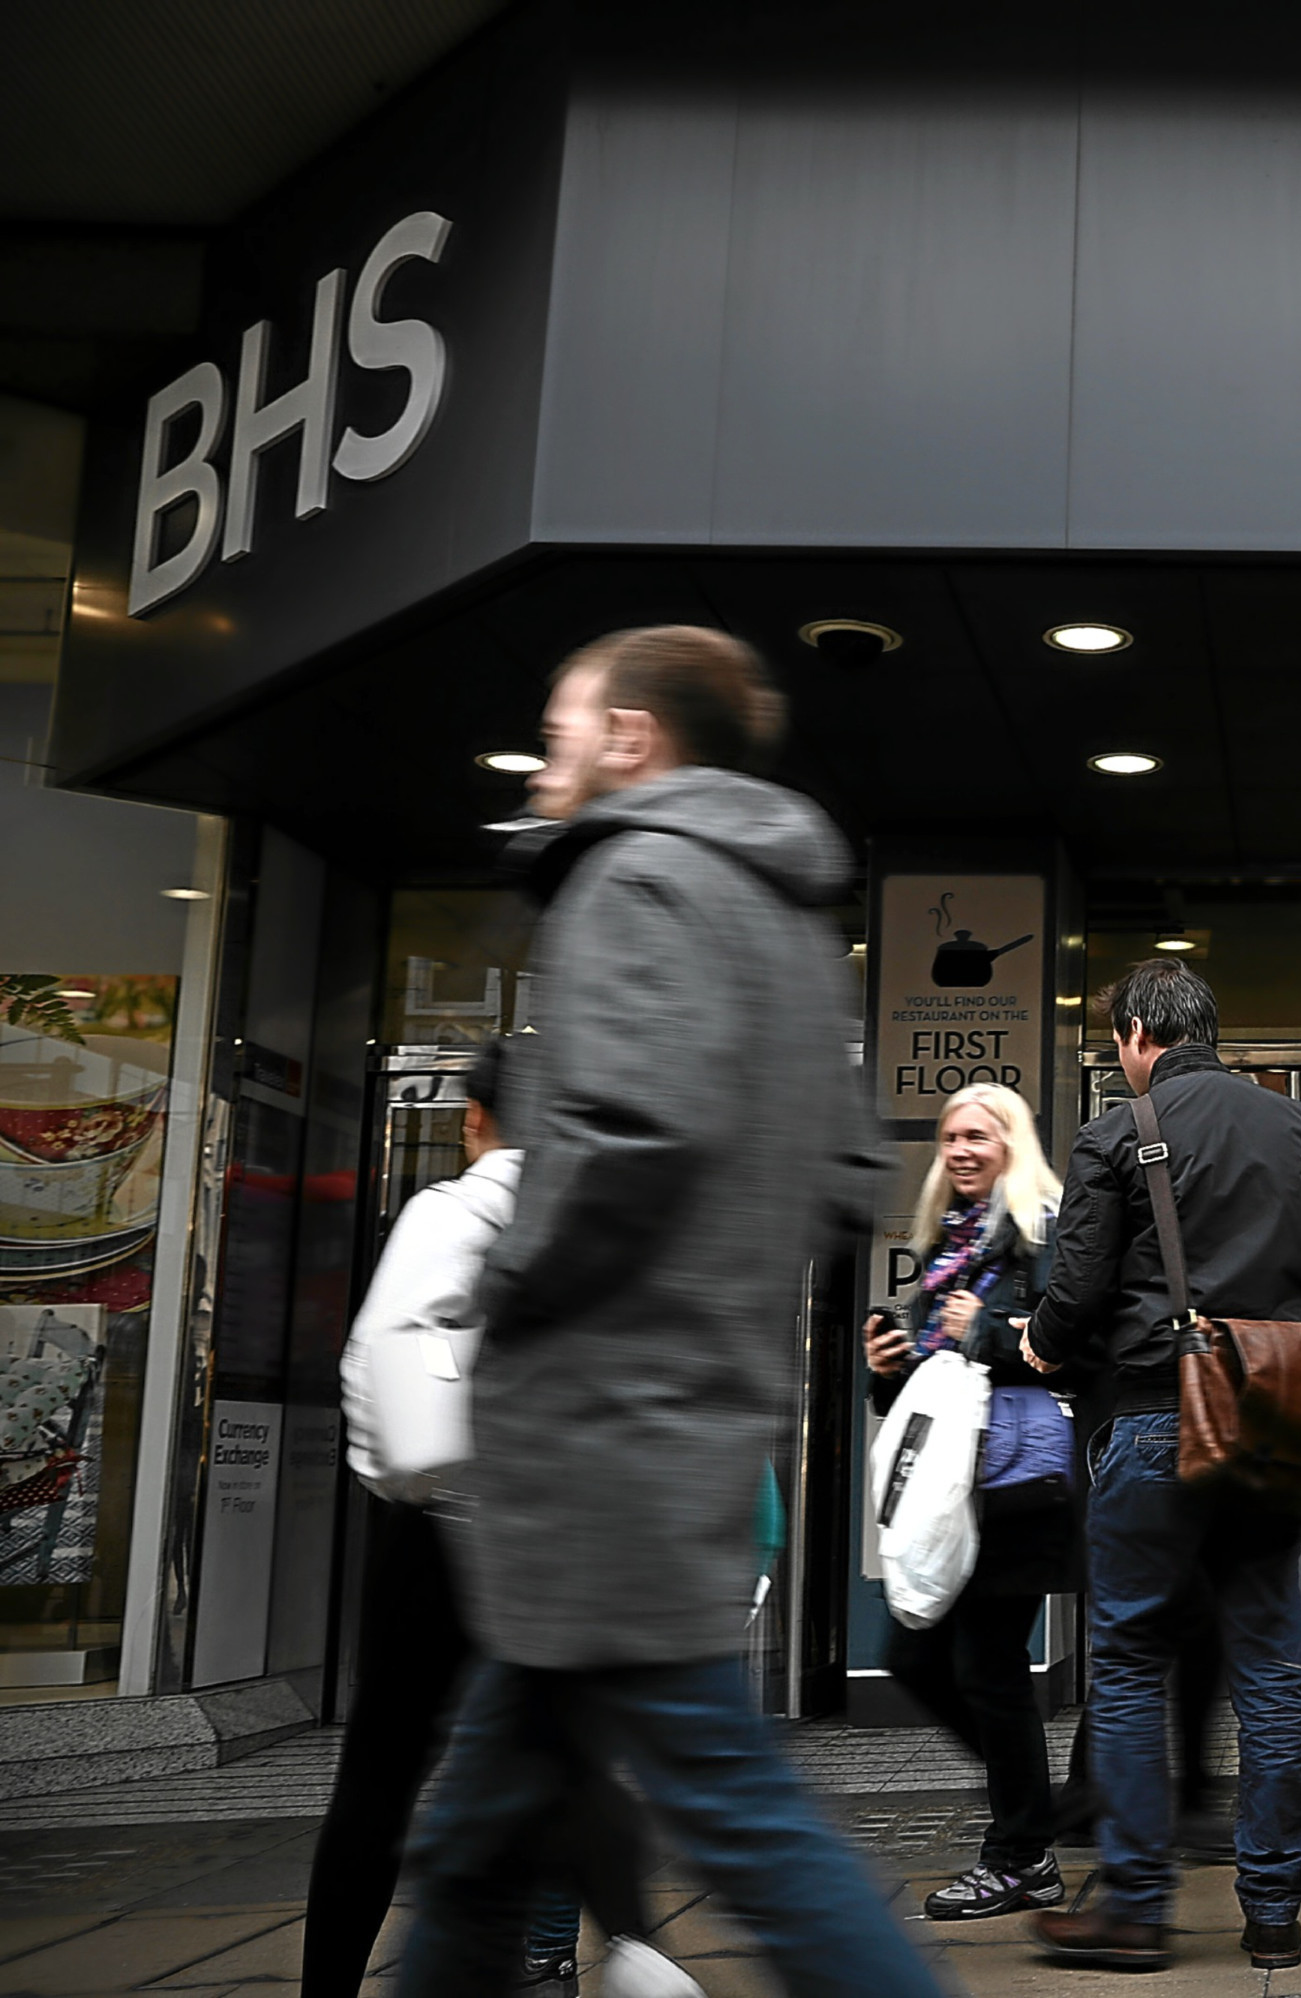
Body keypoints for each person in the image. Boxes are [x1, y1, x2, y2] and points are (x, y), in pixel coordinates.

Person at [400, 626, 930, 1998]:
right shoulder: (794, 923)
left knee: (739, 1819)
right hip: (684, 1416)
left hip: (598, 1437)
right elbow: (846, 1171)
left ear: (633, 736)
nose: (549, 755)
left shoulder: (635, 875)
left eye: (562, 725)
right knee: (467, 1850)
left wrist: (505, 1281)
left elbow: (631, 1133)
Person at [311, 1040, 697, 1998]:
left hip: (436, 1529)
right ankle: (638, 1950)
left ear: (474, 1118)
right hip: (559, 1529)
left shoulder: (449, 1209)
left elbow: (375, 1370)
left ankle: (334, 1988)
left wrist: (403, 1478)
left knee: (381, 1776)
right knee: (562, 1747)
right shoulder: (594, 1218)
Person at [1019, 958, 1301, 1972]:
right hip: (1276, 1430)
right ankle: (1273, 1910)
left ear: (1138, 1033)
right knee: (1268, 1662)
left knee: (1130, 1661)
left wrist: (1041, 1340)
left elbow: (1078, 1289)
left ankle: (1134, 1905)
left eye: (1116, 1041)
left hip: (1153, 1419)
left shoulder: (1112, 1134)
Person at [861, 1082, 1078, 1922]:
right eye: (950, 1137)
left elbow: (1066, 1342)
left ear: (1012, 1144)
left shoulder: (1040, 1232)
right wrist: (890, 1370)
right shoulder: (949, 1246)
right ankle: (1030, 1814)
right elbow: (936, 1384)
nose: (959, 1150)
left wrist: (982, 1333)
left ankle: (1022, 1851)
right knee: (919, 1659)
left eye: (978, 1136)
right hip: (961, 1488)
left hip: (1016, 1488)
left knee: (988, 1671)